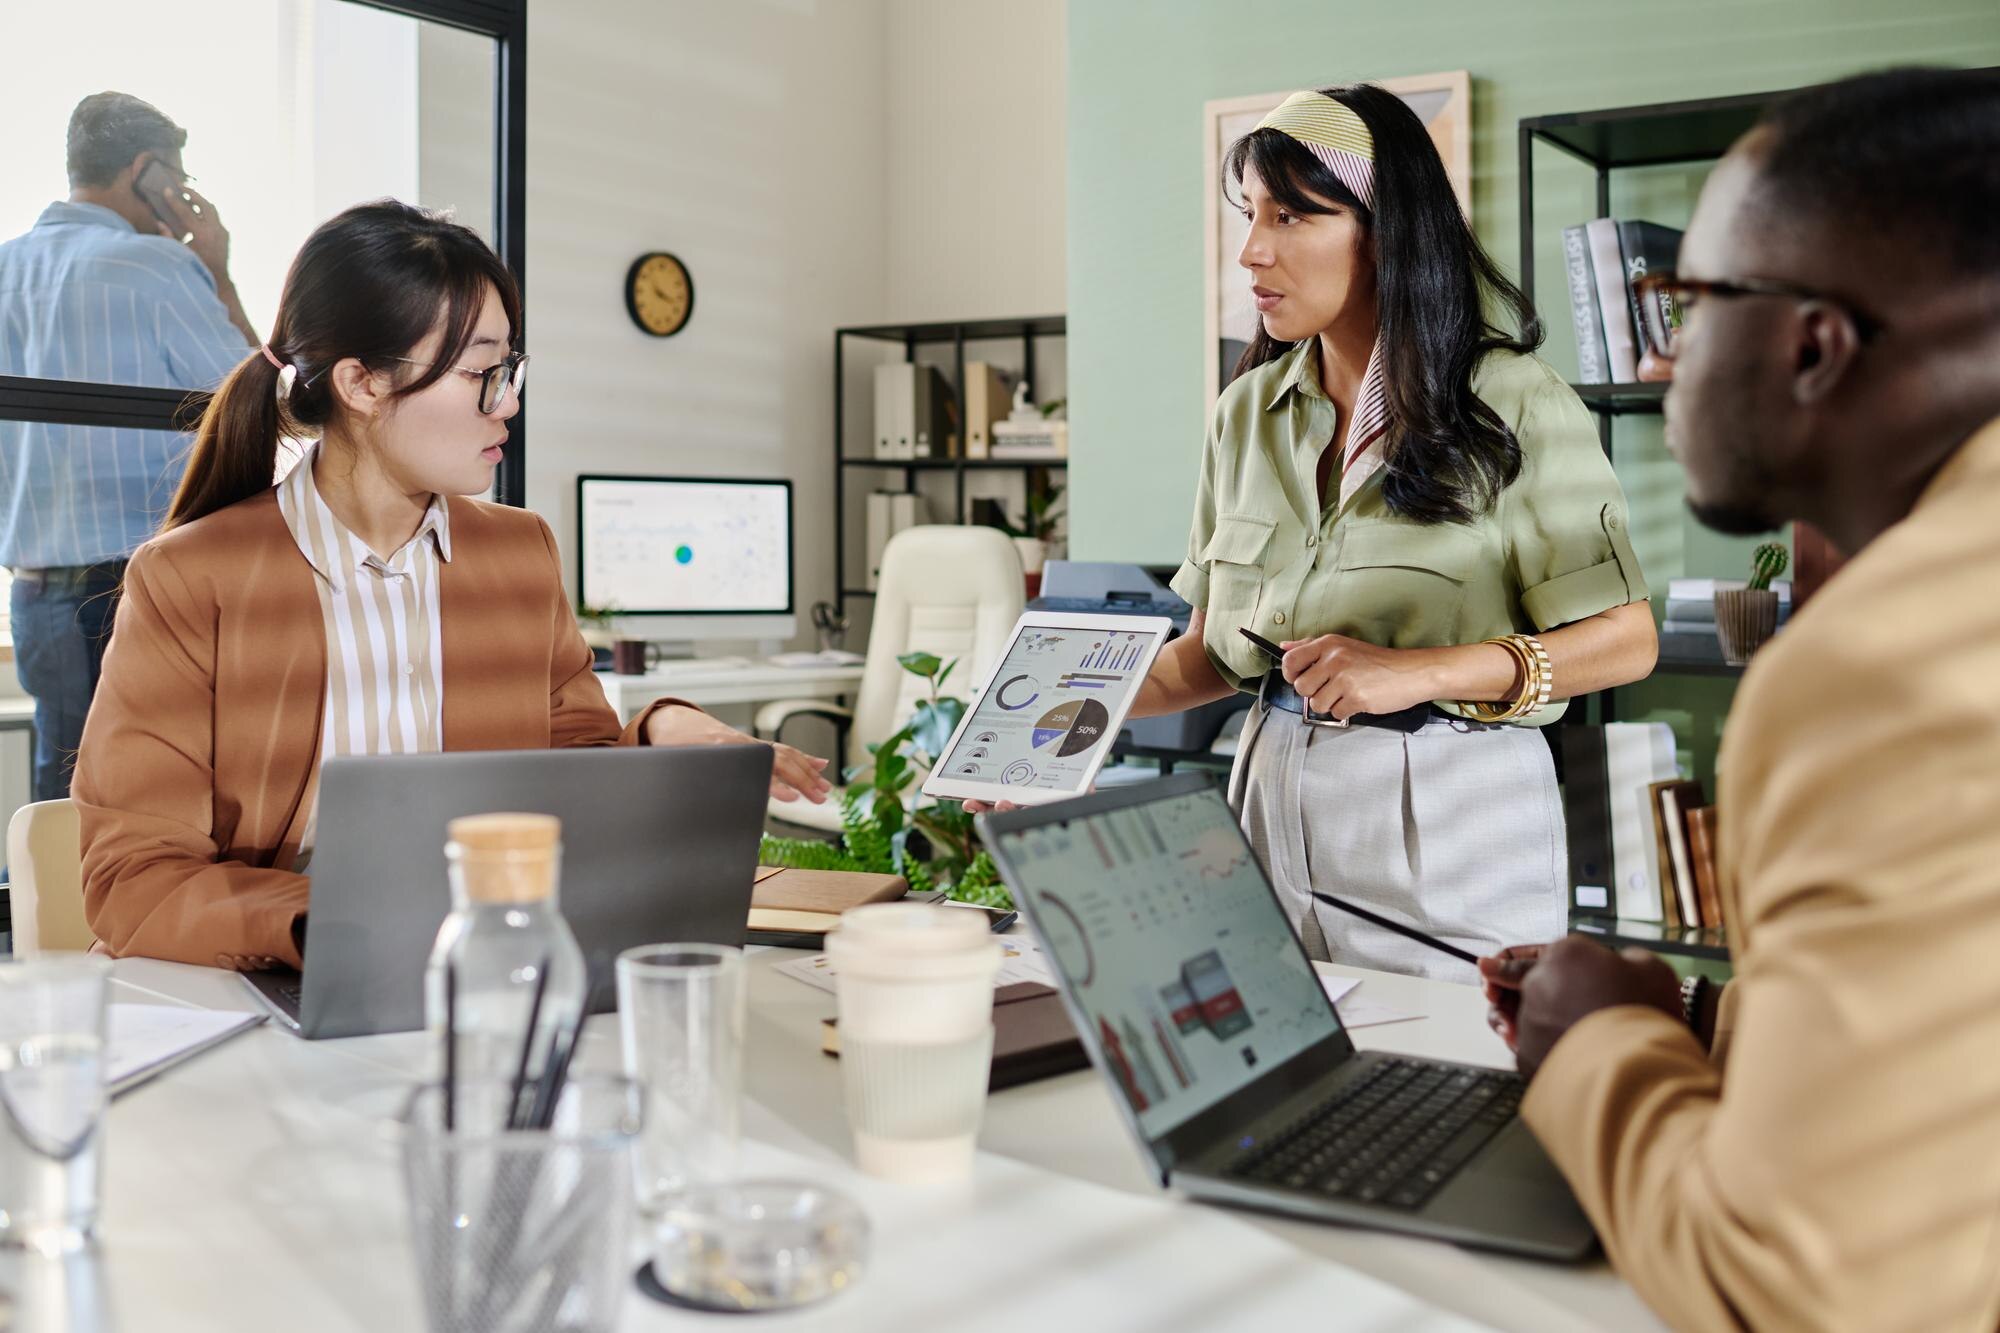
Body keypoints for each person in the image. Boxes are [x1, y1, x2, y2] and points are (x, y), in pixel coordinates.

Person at [1479, 67, 2000, 1331]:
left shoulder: (1886, 666)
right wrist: (1723, 1019)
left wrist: (1596, 1041)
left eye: (1683, 304)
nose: (1656, 358)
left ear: (1810, 345)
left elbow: (1801, 1289)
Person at [969, 86, 1657, 982]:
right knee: (1290, 1090)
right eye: (1251, 213)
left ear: (1387, 231)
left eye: (1293, 215)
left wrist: (1422, 671)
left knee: (1454, 1085)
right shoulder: (1245, 413)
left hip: (1454, 814)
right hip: (1266, 803)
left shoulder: (1517, 401)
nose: (1253, 250)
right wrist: (1029, 727)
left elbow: (1626, 641)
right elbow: (1211, 658)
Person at [74, 200, 830, 971]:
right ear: (361, 383)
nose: (509, 402)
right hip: (273, 981)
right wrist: (344, 929)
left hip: (489, 974)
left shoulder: (519, 552)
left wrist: (661, 735)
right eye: (480, 373)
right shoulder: (190, 579)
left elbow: (574, 775)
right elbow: (134, 879)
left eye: (511, 369)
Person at [0, 92, 258, 800]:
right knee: (155, 794)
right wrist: (217, 270)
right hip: (135, 581)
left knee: (61, 792)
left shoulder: (3, 268)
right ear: (145, 171)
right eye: (175, 178)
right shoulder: (152, 265)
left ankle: (44, 913)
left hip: (36, 588)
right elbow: (251, 400)